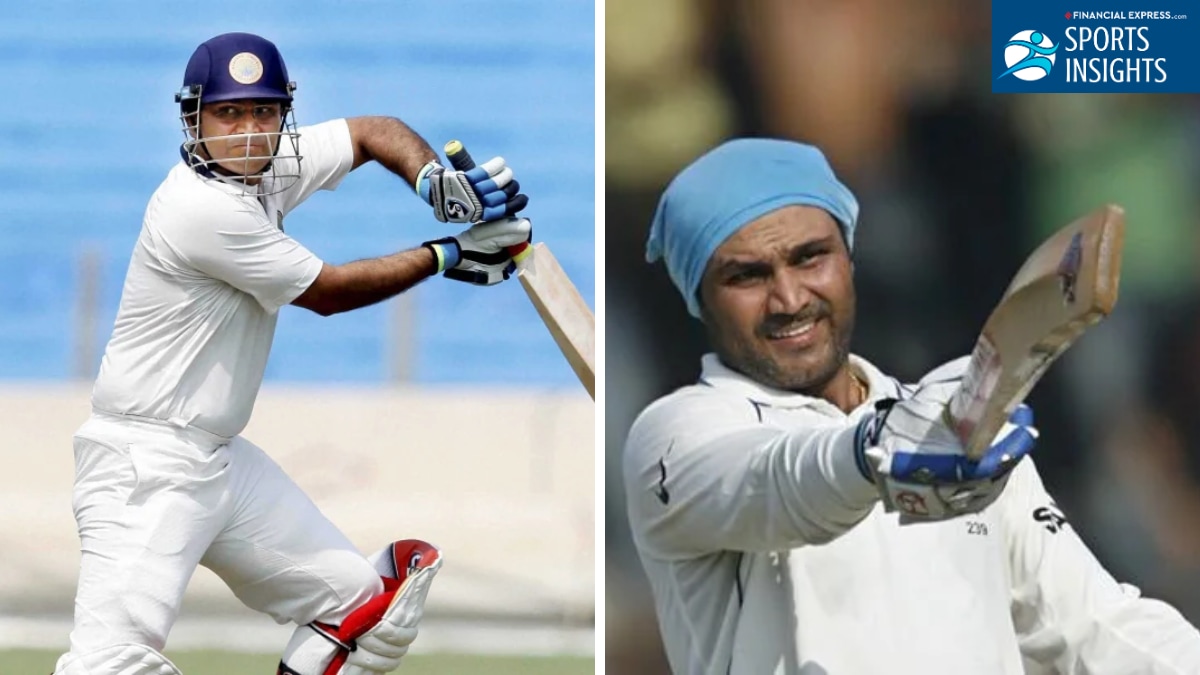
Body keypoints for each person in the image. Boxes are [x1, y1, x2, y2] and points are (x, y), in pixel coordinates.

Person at [623, 138, 1200, 674]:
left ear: (849, 259)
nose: (790, 298)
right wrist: (874, 452)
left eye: (810, 258)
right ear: (700, 299)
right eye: (748, 276)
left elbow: (1095, 625)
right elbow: (783, 481)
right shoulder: (674, 438)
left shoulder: (955, 425)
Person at [53, 32, 533, 675]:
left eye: (265, 111)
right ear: (194, 120)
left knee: (363, 612)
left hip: (220, 460)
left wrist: (433, 182)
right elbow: (327, 294)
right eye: (229, 113)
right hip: (144, 464)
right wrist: (447, 254)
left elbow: (372, 131)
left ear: (283, 113)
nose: (250, 131)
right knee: (108, 665)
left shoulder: (268, 166)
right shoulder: (199, 208)